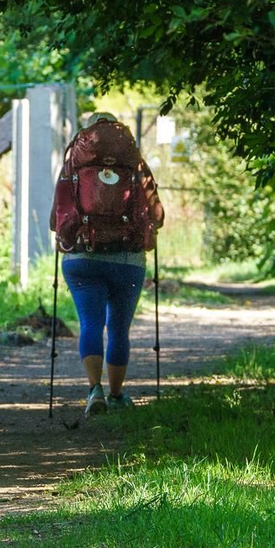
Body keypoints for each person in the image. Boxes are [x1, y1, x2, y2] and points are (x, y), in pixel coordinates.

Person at [50, 111, 165, 415]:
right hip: (127, 260)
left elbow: (55, 218)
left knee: (90, 323)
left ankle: (94, 390)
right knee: (118, 329)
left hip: (82, 258)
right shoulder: (135, 164)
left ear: (87, 134)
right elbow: (158, 216)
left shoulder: (74, 162)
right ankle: (116, 394)